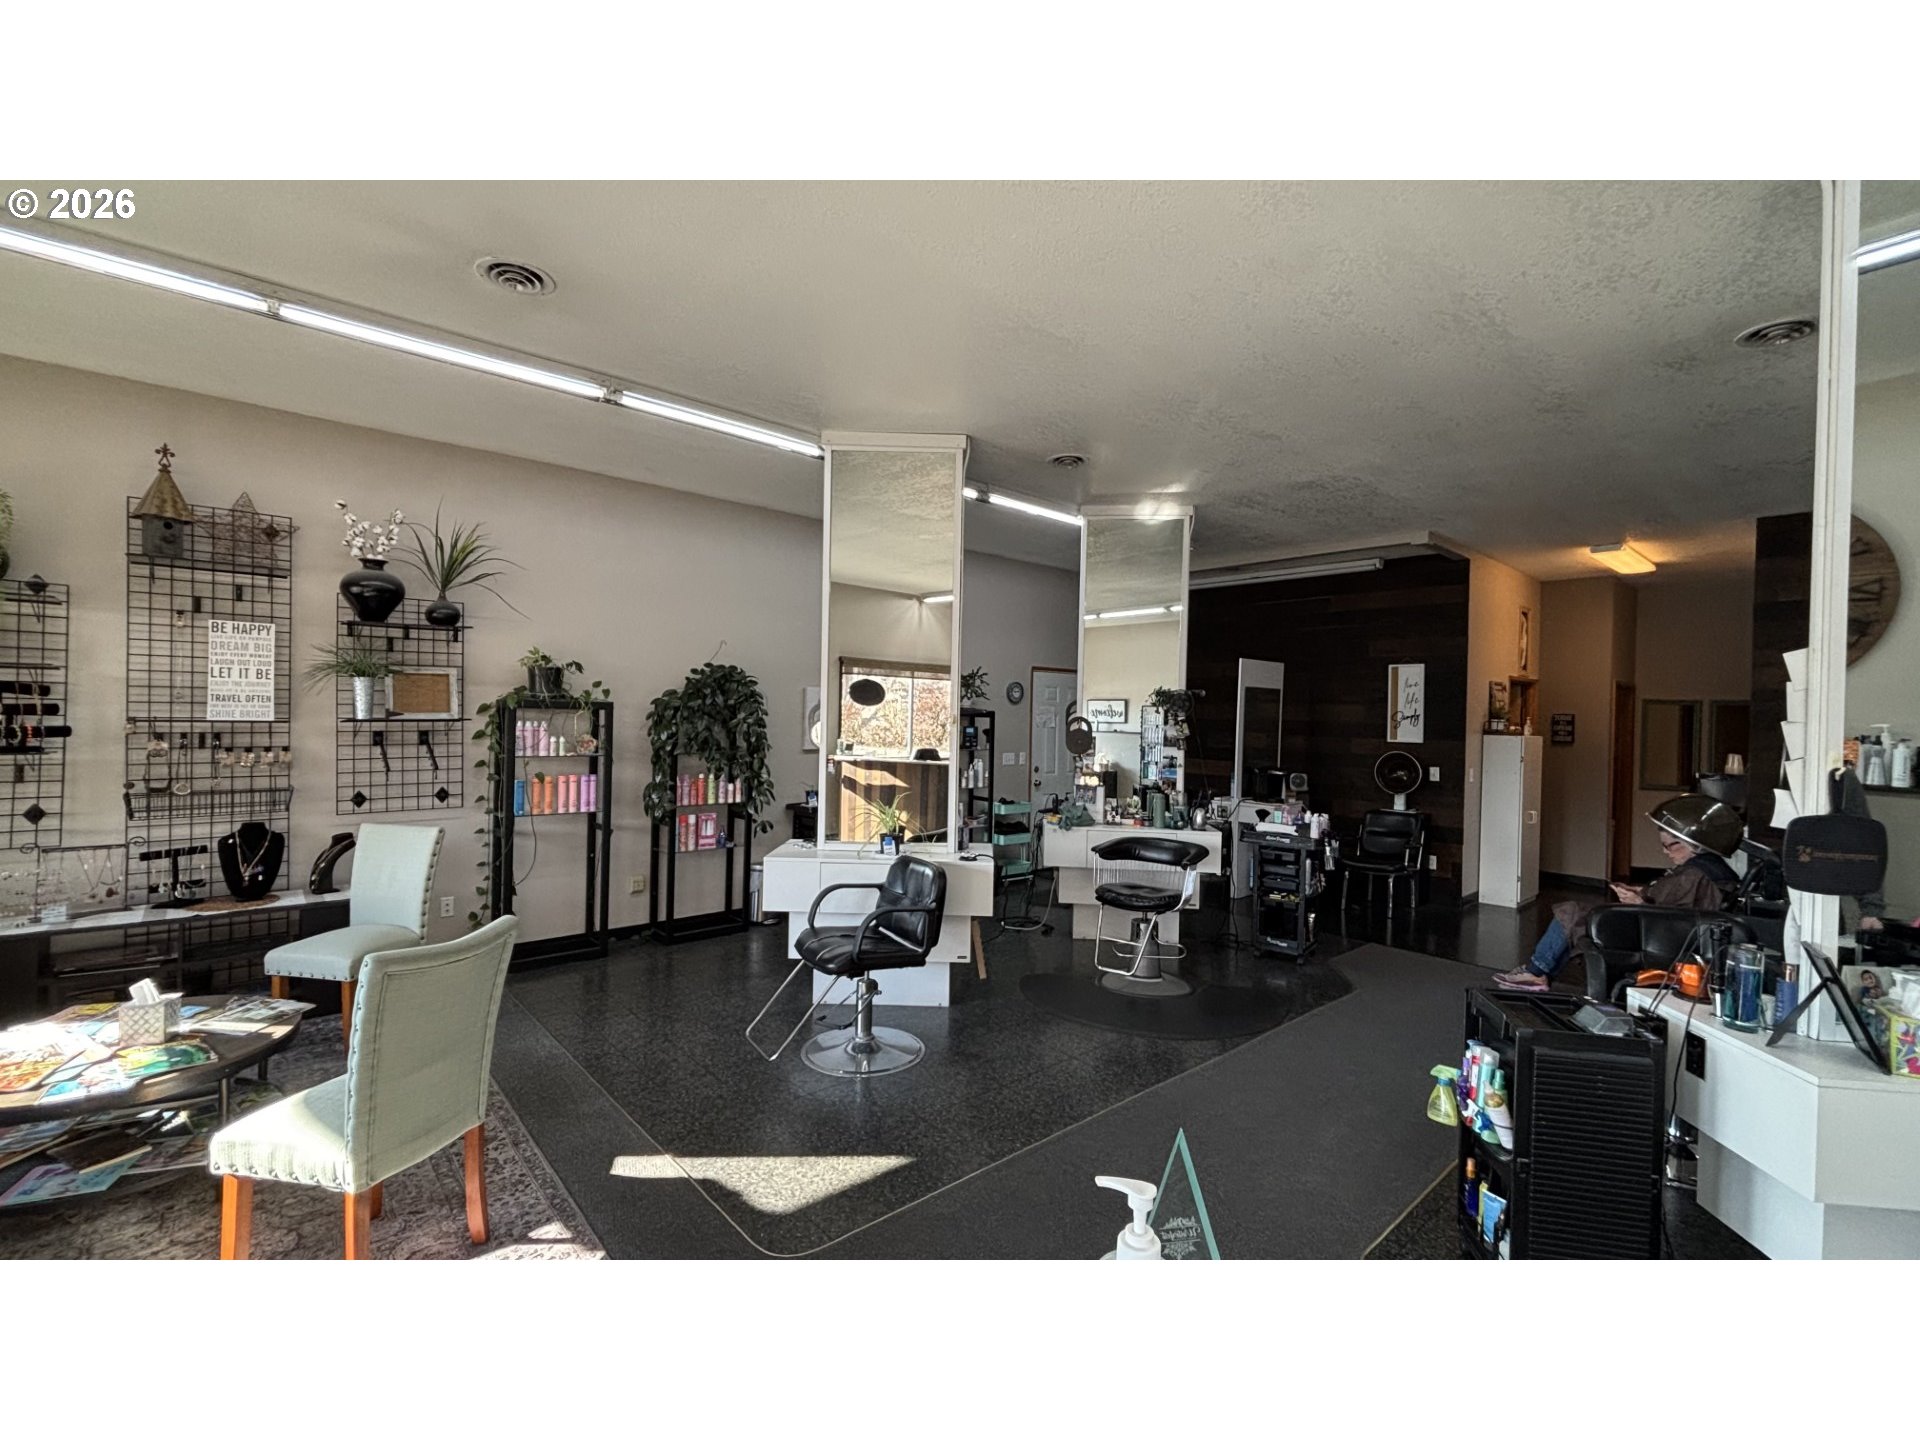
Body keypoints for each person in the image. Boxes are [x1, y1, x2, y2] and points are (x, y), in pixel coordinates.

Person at [1495, 793, 1743, 991]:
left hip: (1653, 936)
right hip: (1661, 928)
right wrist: (1641, 892)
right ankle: (1539, 973)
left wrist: (1638, 903)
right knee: (1576, 914)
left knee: (1572, 912)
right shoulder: (1709, 870)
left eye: (1669, 846)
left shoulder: (1693, 875)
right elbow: (1673, 903)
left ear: (1692, 844)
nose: (1665, 852)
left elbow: (1670, 917)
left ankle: (1536, 972)